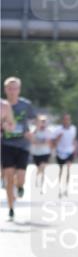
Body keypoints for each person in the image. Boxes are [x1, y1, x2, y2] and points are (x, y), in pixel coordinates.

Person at [1, 76, 37, 221]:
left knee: (21, 178)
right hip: (6, 144)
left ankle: (20, 186)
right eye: (9, 88)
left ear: (19, 90)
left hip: (23, 145)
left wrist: (32, 132)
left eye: (15, 88)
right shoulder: (2, 106)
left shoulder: (25, 105)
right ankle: (11, 208)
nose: (12, 91)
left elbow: (34, 121)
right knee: (9, 177)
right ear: (5, 90)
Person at [52, 113, 77, 198]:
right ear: (62, 120)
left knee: (67, 168)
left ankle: (66, 187)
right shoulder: (58, 130)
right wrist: (58, 138)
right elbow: (53, 142)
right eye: (65, 119)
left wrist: (75, 149)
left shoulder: (73, 129)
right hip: (60, 152)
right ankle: (60, 187)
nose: (67, 121)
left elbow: (73, 140)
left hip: (69, 151)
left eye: (68, 119)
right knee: (61, 170)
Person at [30, 115, 53, 193]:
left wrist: (39, 142)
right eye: (41, 122)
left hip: (45, 153)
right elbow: (33, 141)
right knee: (39, 169)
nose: (43, 123)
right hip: (36, 153)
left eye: (44, 122)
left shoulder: (48, 131)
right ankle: (37, 177)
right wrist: (40, 142)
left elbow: (48, 141)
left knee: (43, 168)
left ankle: (42, 187)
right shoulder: (34, 131)